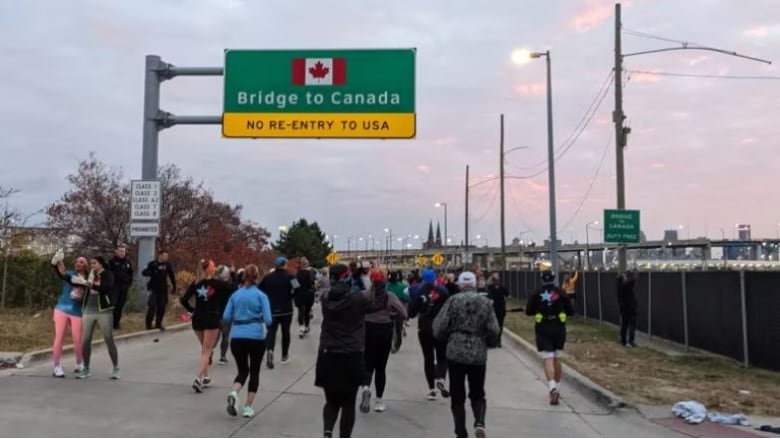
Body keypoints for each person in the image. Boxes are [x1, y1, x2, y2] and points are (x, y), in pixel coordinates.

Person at [316, 263, 385, 438]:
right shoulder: (357, 300)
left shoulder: (325, 298)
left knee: (331, 401)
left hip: (327, 353)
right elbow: (377, 302)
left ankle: (327, 432)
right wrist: (374, 281)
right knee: (348, 403)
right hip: (351, 353)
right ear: (346, 278)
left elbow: (336, 290)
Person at [434, 271, 500, 439]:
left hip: (456, 350)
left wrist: (445, 339)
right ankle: (479, 422)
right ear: (475, 283)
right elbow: (494, 329)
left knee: (457, 395)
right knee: (478, 392)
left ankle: (460, 432)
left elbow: (439, 326)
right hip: (478, 351)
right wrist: (489, 342)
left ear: (460, 285)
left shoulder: (452, 301)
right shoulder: (486, 302)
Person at [222, 264, 272, 418]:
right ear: (257, 277)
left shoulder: (235, 295)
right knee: (255, 371)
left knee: (242, 370)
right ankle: (248, 407)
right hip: (256, 336)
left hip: (237, 336)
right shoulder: (261, 296)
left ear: (243, 277)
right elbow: (269, 320)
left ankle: (234, 391)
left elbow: (226, 317)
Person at [180, 259, 232, 393]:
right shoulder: (219, 284)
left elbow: (183, 299)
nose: (214, 268)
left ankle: (206, 377)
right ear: (209, 269)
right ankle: (198, 378)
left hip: (197, 318)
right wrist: (233, 273)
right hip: (211, 318)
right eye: (213, 266)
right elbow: (231, 288)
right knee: (206, 350)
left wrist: (191, 310)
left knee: (205, 349)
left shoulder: (196, 283)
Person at [359, 270, 408, 414]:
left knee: (367, 365)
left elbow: (355, 311)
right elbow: (404, 314)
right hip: (384, 331)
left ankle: (366, 388)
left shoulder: (364, 295)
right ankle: (379, 402)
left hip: (367, 330)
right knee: (381, 367)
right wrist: (391, 314)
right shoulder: (389, 296)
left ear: (371, 281)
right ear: (384, 280)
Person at [525, 271, 574, 405]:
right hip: (559, 327)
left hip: (543, 327)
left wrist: (540, 310)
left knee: (548, 358)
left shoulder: (536, 293)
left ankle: (552, 387)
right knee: (557, 357)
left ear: (541, 280)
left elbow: (528, 311)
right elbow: (571, 311)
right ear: (554, 279)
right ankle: (557, 387)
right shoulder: (562, 293)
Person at [73, 256, 119, 380]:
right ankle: (86, 369)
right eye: (91, 264)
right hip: (88, 310)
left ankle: (115, 368)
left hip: (103, 310)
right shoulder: (90, 275)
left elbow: (106, 288)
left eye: (95, 263)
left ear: (101, 264)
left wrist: (90, 284)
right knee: (85, 340)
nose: (92, 266)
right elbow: (81, 286)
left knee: (108, 338)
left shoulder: (107, 274)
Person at [409, 268, 451, 400]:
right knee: (442, 357)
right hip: (441, 328)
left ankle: (432, 389)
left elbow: (411, 313)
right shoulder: (443, 291)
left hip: (425, 328)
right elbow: (449, 310)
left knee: (428, 359)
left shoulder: (418, 292)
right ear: (435, 278)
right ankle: (441, 378)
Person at [50, 250, 88, 378]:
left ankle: (79, 363)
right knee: (59, 337)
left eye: (81, 262)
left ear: (85, 265)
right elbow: (62, 271)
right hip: (62, 308)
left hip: (77, 311)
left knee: (77, 339)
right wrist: (58, 260)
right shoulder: (70, 274)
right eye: (77, 261)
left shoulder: (89, 278)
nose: (78, 263)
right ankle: (57, 366)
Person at [259, 257, 296, 369]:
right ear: (284, 265)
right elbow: (298, 289)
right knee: (286, 332)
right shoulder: (291, 277)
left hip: (271, 309)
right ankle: (284, 355)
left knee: (271, 332)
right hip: (286, 309)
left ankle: (270, 350)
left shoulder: (267, 277)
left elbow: (260, 290)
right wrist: (291, 296)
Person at [142, 250, 176, 331]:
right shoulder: (153, 264)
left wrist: (174, 286)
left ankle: (158, 324)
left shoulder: (167, 265)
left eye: (167, 256)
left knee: (162, 307)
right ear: (160, 256)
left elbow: (171, 275)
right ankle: (148, 324)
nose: (166, 258)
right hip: (154, 289)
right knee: (152, 306)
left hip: (163, 289)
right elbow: (144, 272)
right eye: (164, 256)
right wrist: (153, 271)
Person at [215, 266, 241, 365]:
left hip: (215, 314)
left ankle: (209, 351)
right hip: (226, 315)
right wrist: (233, 274)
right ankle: (222, 356)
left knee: (215, 336)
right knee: (225, 336)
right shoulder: (228, 287)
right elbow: (236, 285)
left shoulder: (214, 285)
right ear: (226, 275)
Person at [108, 245, 133, 330]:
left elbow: (130, 274)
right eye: (120, 251)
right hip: (114, 287)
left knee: (120, 306)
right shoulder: (112, 262)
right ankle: (108, 323)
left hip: (124, 287)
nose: (122, 253)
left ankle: (116, 324)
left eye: (123, 251)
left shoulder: (128, 262)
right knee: (113, 305)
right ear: (116, 252)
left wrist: (129, 283)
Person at [386, 270, 409, 353]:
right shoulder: (404, 286)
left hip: (388, 310)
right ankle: (397, 345)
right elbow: (407, 298)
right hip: (399, 310)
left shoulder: (386, 286)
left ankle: (389, 344)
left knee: (389, 328)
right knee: (398, 329)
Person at [295, 257, 316, 339]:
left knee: (300, 310)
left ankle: (301, 327)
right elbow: (311, 283)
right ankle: (307, 326)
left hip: (299, 294)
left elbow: (294, 284)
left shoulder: (297, 273)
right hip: (308, 294)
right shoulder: (309, 273)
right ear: (307, 264)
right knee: (307, 311)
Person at [486, 273, 509, 347]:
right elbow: (508, 296)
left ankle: (497, 340)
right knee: (497, 325)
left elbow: (508, 295)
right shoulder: (492, 287)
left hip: (497, 308)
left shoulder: (499, 287)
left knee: (497, 325)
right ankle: (496, 340)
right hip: (496, 308)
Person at [617, 270, 638, 348]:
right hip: (630, 307)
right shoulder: (626, 285)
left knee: (624, 324)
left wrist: (626, 275)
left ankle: (623, 341)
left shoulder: (619, 286)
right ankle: (630, 341)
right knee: (631, 324)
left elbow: (630, 281)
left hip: (623, 308)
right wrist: (631, 274)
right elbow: (632, 280)